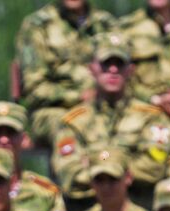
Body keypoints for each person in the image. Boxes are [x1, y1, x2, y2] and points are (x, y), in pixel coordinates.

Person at [51, 33, 170, 209]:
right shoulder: (73, 122)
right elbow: (70, 174)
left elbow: (153, 167)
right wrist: (124, 170)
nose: (113, 70)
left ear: (130, 70)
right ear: (92, 69)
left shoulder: (152, 118)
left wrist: (95, 168)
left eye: (119, 64)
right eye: (106, 64)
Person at [15, 0, 120, 145]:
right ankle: (78, 167)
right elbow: (34, 89)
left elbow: (124, 70)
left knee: (134, 129)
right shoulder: (38, 25)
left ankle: (109, 163)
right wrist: (78, 96)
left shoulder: (105, 24)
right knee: (75, 130)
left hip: (103, 106)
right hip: (55, 111)